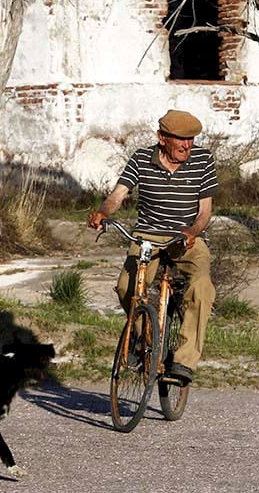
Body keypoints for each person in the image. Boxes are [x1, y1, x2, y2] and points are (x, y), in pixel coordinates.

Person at [88, 109, 217, 386]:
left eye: (191, 139)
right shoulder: (141, 159)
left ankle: (183, 361)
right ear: (162, 138)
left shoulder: (203, 160)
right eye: (180, 139)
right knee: (126, 286)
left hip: (186, 238)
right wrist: (103, 213)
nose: (187, 146)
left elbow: (205, 211)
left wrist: (192, 231)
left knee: (202, 287)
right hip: (148, 236)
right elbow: (118, 195)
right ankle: (144, 338)